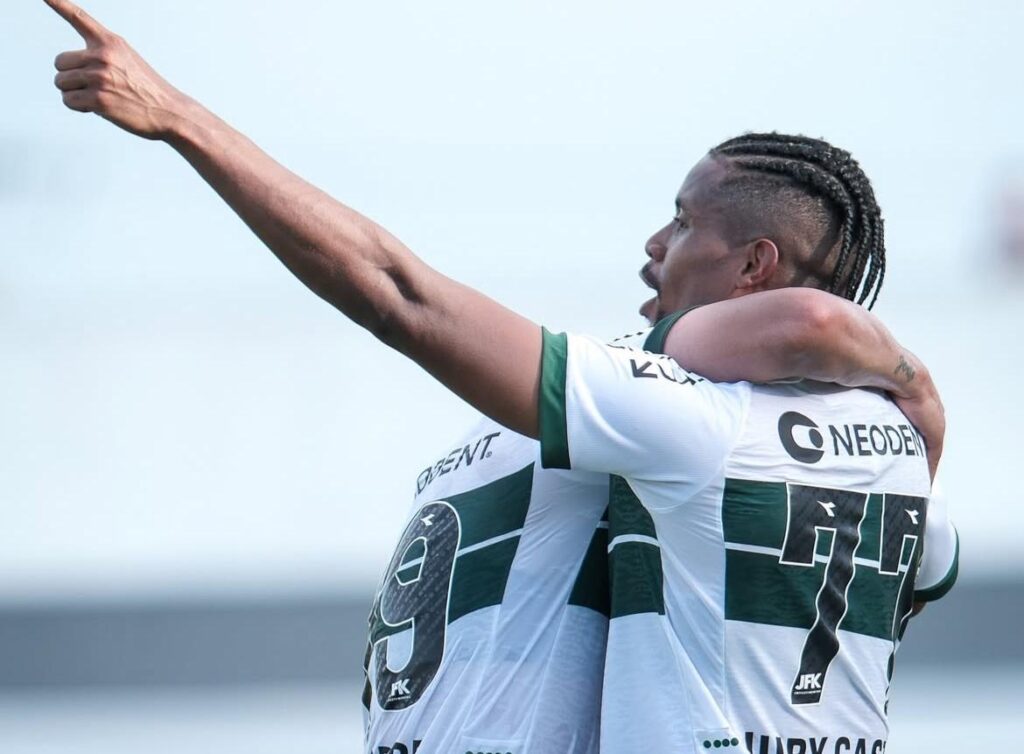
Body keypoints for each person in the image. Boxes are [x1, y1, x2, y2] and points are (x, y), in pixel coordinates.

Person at [42, 3, 956, 753]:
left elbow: (402, 297)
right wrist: (913, 402)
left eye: (681, 222)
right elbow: (919, 553)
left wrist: (179, 118)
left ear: (755, 264)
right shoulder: (897, 458)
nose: (653, 244)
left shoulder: (677, 420)